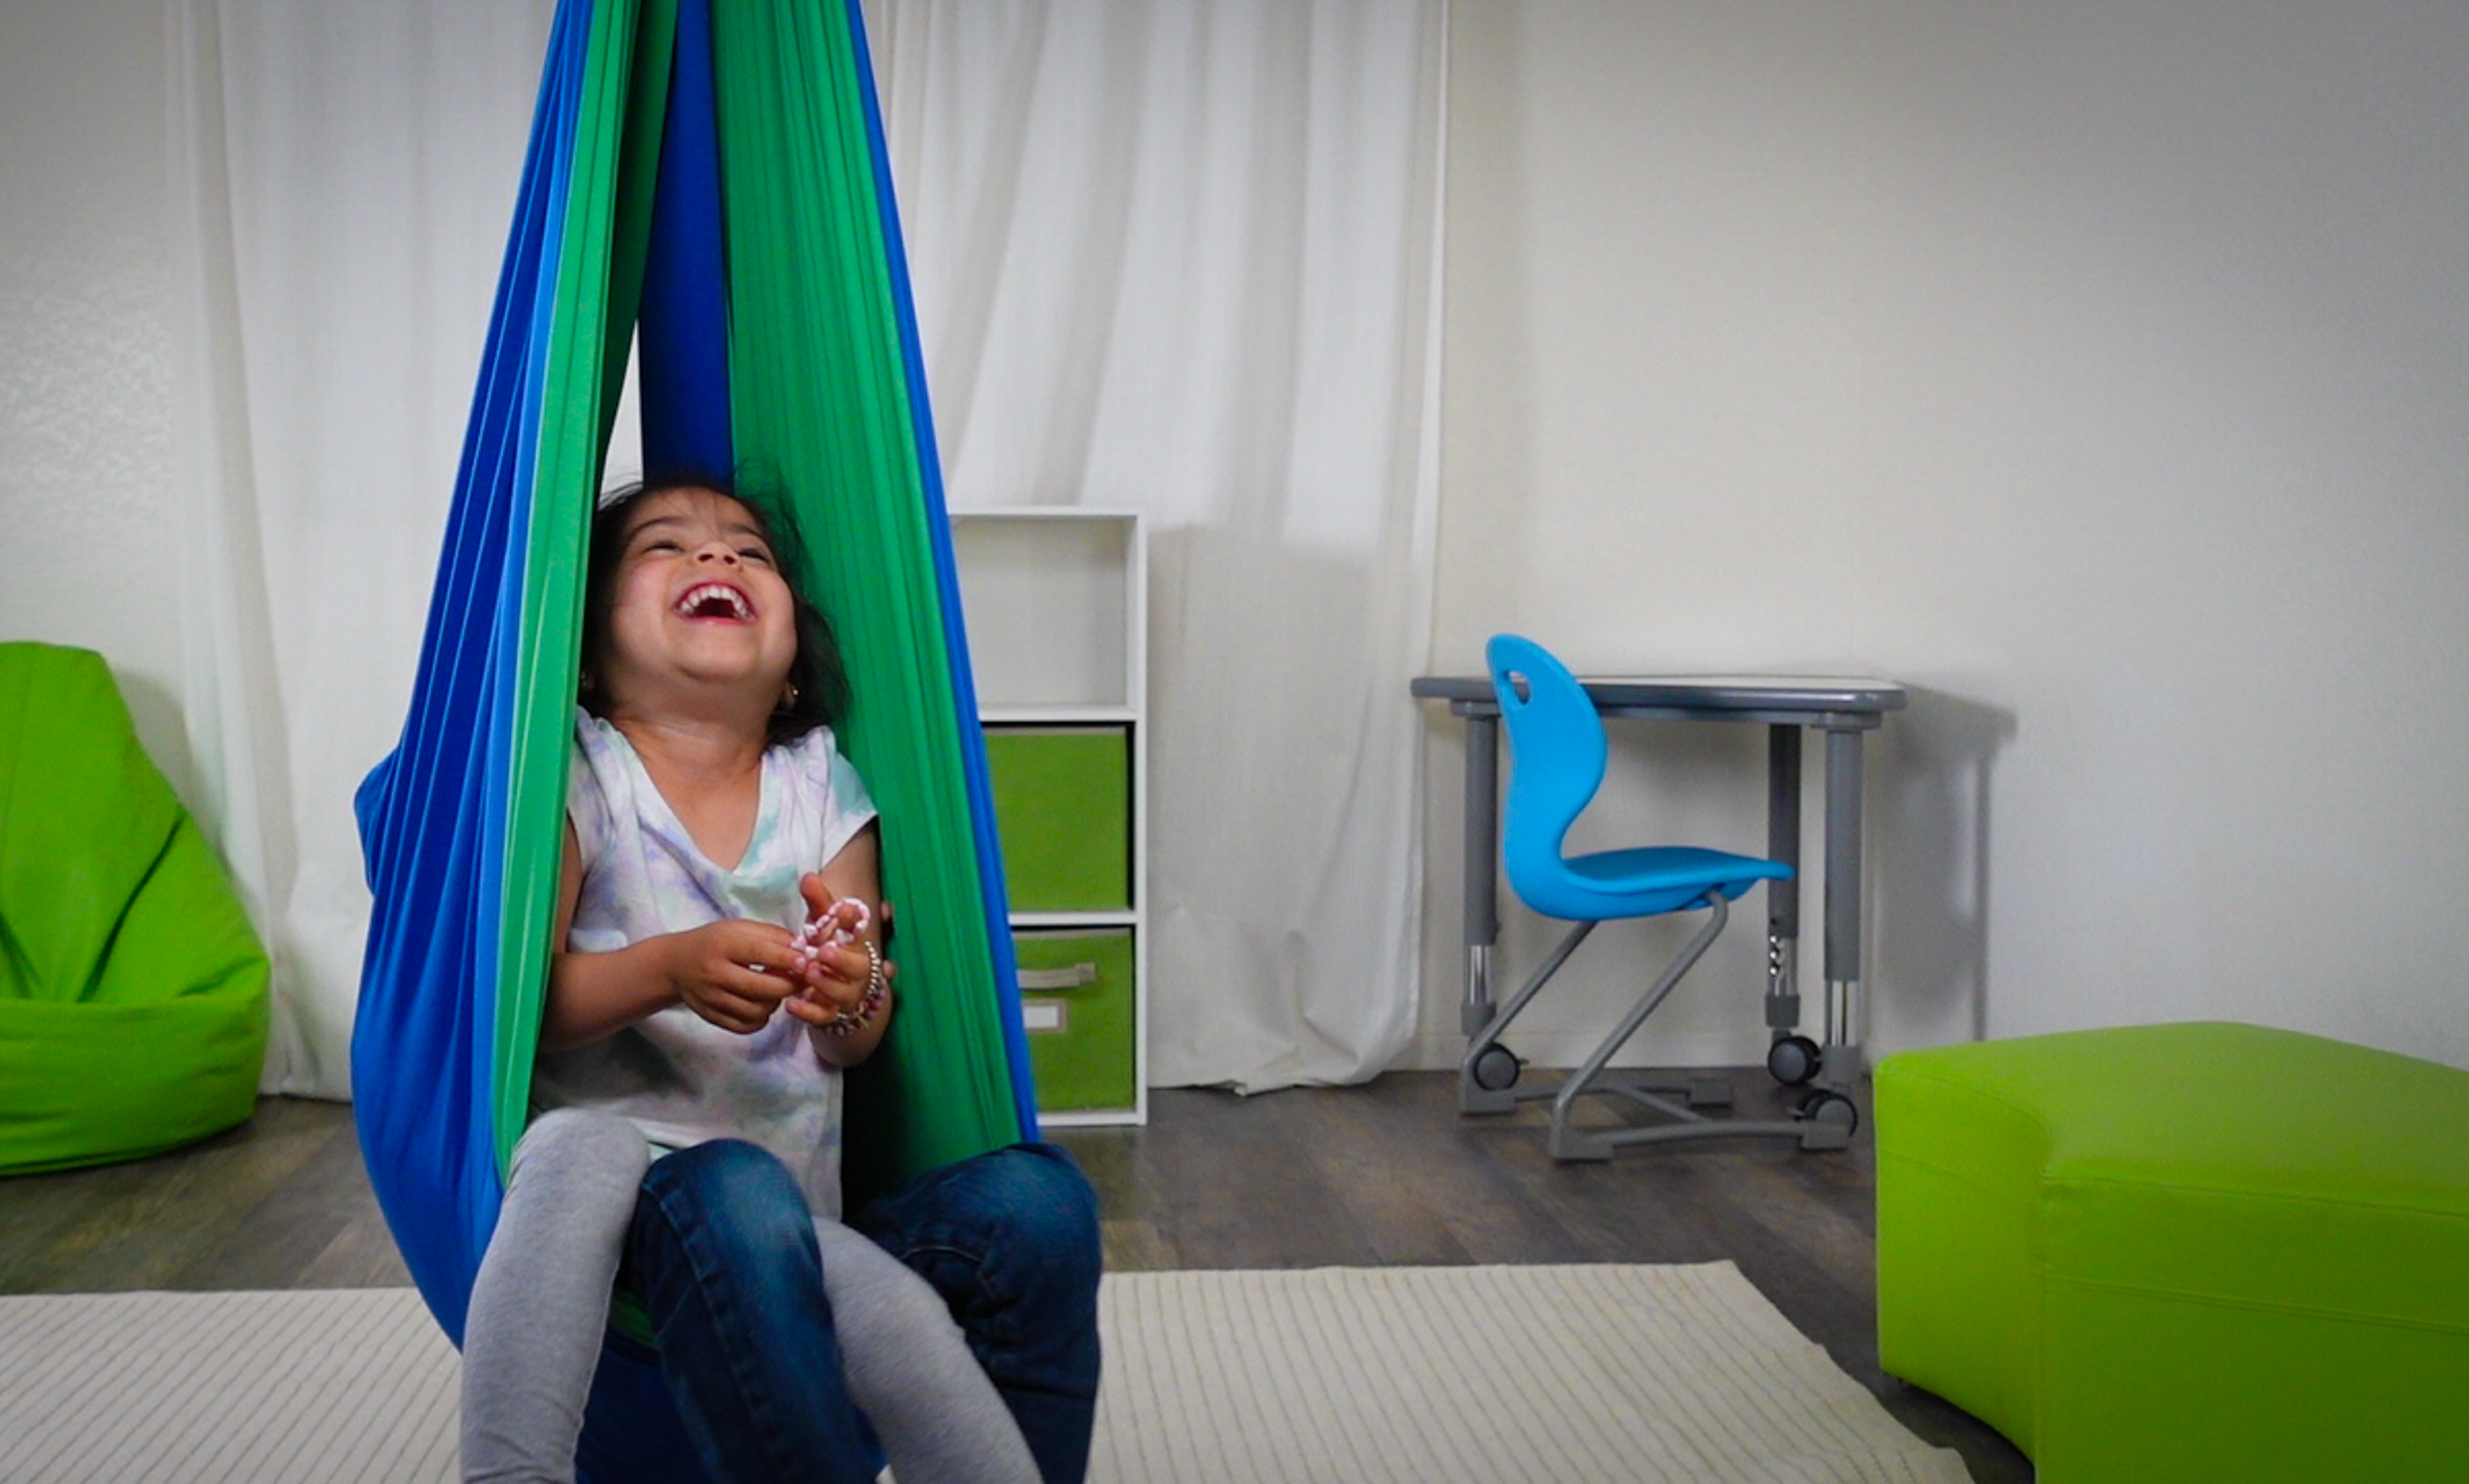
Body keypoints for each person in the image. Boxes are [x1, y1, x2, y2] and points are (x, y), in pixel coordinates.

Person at [458, 476, 1102, 1484]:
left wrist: (850, 989)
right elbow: (522, 1014)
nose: (718, 560)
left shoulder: (822, 786)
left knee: (1040, 1200)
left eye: (751, 554)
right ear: (587, 652)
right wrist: (670, 966)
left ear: (794, 666)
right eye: (664, 546)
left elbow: (851, 1031)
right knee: (660, 1167)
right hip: (637, 1219)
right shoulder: (581, 775)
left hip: (799, 1218)